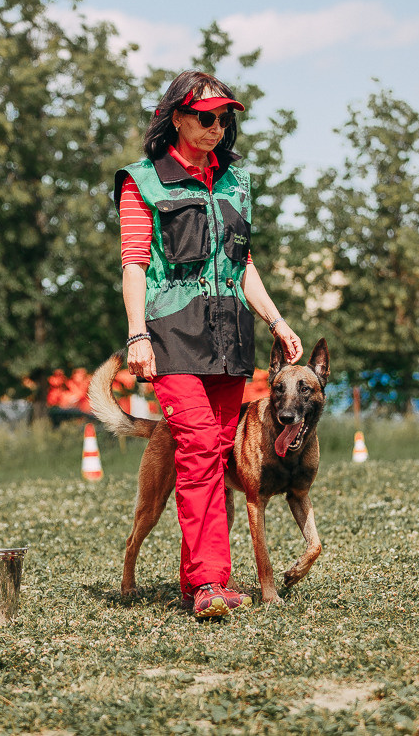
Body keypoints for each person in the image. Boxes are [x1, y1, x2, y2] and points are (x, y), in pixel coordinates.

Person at [115, 70, 304, 619]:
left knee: (215, 458)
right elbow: (134, 265)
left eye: (224, 118)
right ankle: (209, 585)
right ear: (176, 117)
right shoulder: (143, 181)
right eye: (205, 116)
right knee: (196, 449)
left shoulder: (237, 183)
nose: (216, 126)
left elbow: (243, 265)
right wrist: (137, 334)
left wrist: (277, 321)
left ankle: (196, 580)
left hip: (231, 342)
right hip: (173, 336)